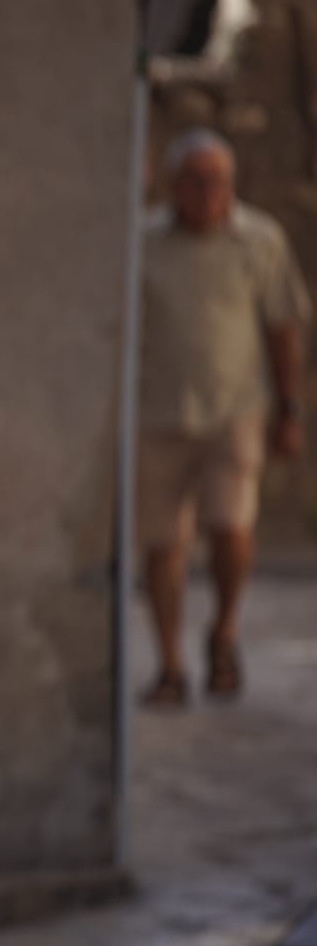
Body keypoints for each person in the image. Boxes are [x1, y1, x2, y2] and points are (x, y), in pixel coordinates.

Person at [137, 129, 310, 706]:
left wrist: (290, 408)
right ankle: (169, 665)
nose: (210, 193)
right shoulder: (142, 242)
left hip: (235, 410)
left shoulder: (259, 239)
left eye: (221, 182)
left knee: (231, 530)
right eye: (198, 181)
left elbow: (283, 325)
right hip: (157, 413)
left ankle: (225, 629)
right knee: (163, 543)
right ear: (174, 185)